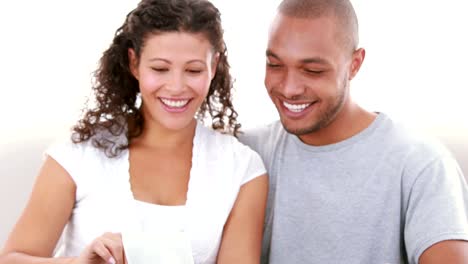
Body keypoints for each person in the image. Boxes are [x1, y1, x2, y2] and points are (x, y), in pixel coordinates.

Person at [0, 0, 268, 263]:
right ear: (134, 62)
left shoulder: (242, 168)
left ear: (214, 66)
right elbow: (11, 259)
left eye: (193, 70)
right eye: (160, 68)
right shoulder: (78, 154)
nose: (176, 86)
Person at [239, 0, 468, 263]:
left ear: (355, 64)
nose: (289, 88)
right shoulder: (245, 154)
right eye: (275, 65)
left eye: (313, 70)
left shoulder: (421, 165)